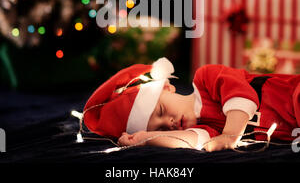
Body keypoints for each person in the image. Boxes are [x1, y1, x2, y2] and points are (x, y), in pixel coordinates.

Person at [82, 57, 300, 152]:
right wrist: (145, 139)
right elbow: (189, 142)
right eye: (159, 128)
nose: (169, 122)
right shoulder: (206, 129)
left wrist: (230, 135)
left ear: (167, 87)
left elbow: (243, 96)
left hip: (292, 95)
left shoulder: (206, 79)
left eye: (161, 110)